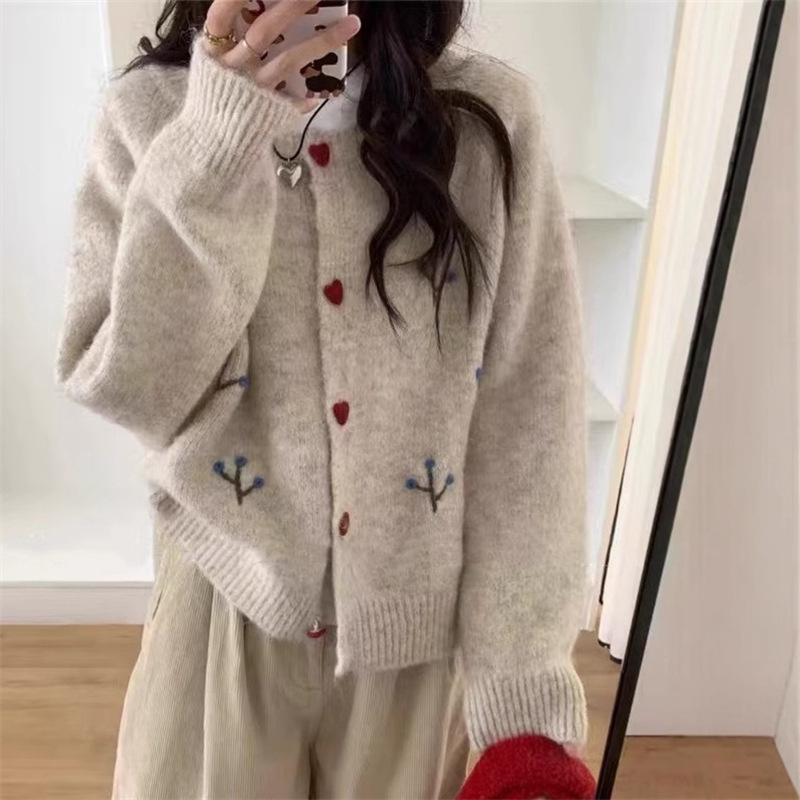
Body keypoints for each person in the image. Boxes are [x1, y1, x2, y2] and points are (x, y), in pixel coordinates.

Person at [55, 0, 598, 797]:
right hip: (221, 619)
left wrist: (524, 697)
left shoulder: (488, 123)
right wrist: (216, 142)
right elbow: (134, 390)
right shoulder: (149, 115)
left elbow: (529, 420)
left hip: (420, 646)